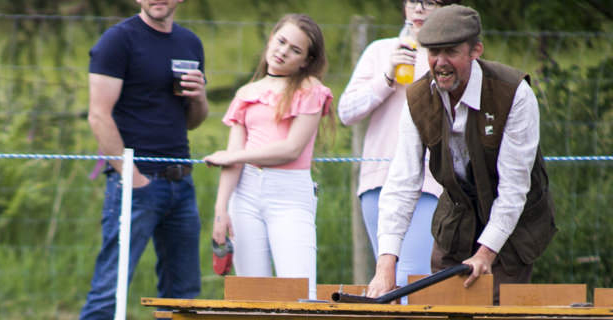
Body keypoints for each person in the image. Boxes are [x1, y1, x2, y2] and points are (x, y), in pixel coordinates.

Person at [366, 4, 555, 303]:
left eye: (451, 52)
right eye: (432, 52)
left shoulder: (514, 93)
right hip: (457, 219)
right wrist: (385, 265)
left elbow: (515, 189)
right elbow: (401, 184)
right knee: (442, 312)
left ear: (475, 50)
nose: (440, 63)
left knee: (495, 315)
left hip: (512, 225)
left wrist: (485, 253)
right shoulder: (417, 98)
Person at [68, 0, 209, 320]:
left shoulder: (189, 43)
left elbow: (193, 120)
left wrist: (199, 97)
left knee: (182, 290)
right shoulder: (118, 41)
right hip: (135, 181)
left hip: (182, 181)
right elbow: (99, 114)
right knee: (113, 283)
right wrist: (131, 177)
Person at [204, 14, 331, 289]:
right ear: (271, 38)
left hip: (290, 195)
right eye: (281, 41)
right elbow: (232, 159)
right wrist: (220, 211)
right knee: (252, 292)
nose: (283, 51)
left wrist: (234, 156)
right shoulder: (247, 93)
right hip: (245, 195)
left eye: (295, 50)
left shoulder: (312, 90)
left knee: (300, 291)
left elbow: (291, 149)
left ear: (306, 60)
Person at [338, 0, 449, 287]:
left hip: (429, 181)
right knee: (386, 280)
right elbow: (347, 112)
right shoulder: (380, 50)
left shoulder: (449, 57)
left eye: (430, 2)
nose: (420, 9)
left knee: (412, 276)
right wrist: (387, 76)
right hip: (379, 179)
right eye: (413, 1)